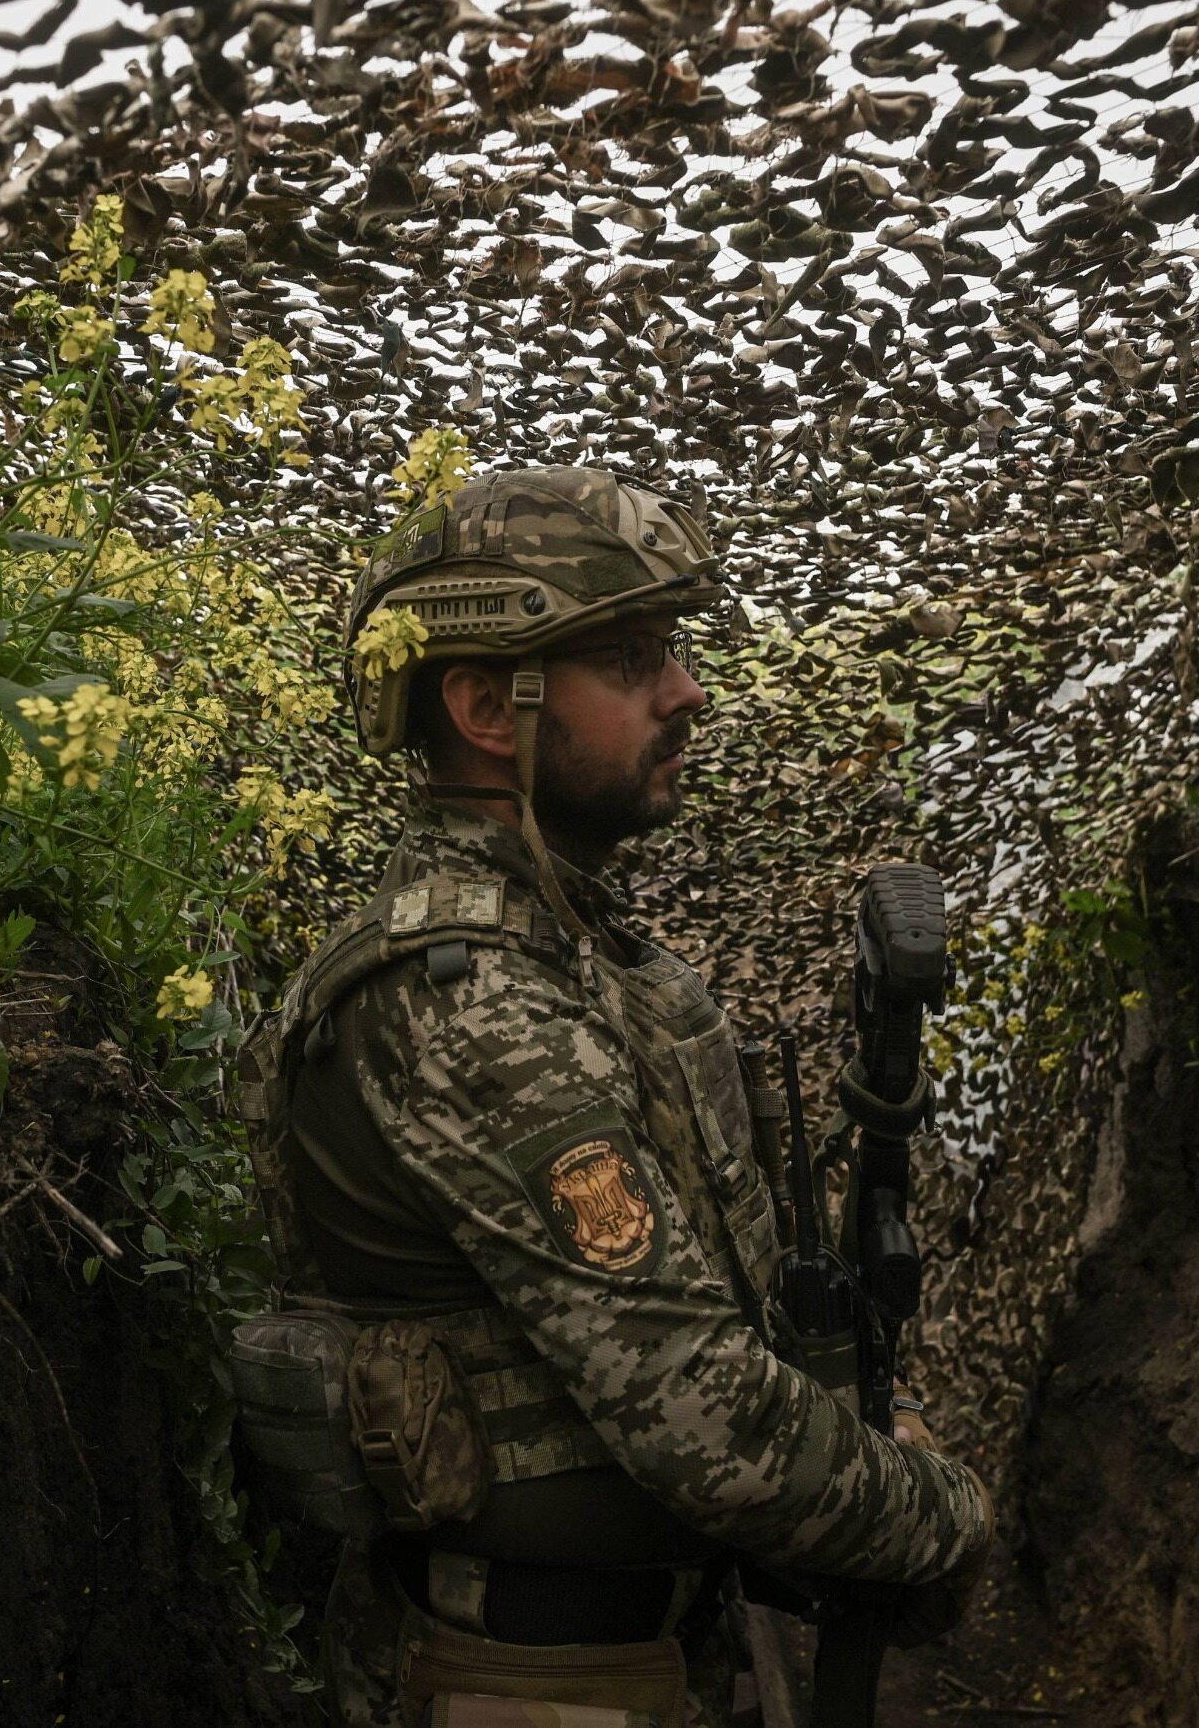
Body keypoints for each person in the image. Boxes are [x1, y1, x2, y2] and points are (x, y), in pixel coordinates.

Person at [234, 467, 991, 1728]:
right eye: (634, 658)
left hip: (621, 1655)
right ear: (485, 703)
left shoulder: (575, 950)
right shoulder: (470, 1002)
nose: (685, 692)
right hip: (528, 1678)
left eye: (674, 651)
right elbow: (706, 1421)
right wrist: (941, 1517)